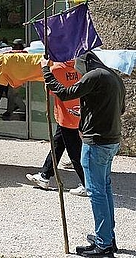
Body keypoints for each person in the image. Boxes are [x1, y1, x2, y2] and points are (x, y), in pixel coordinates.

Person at [40, 51, 126, 258]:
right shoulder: (113, 76)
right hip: (111, 140)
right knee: (104, 191)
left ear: (85, 63)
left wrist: (46, 70)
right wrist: (90, 114)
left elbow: (65, 93)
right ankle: (107, 237)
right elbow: (120, 109)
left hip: (96, 143)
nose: (80, 73)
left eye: (80, 70)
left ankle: (103, 245)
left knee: (96, 193)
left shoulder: (94, 75)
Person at [26, 60, 86, 196]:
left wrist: (45, 69)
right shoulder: (81, 66)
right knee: (58, 144)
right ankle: (45, 175)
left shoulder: (55, 69)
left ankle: (88, 184)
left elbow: (51, 91)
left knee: (75, 152)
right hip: (79, 111)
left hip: (65, 114)